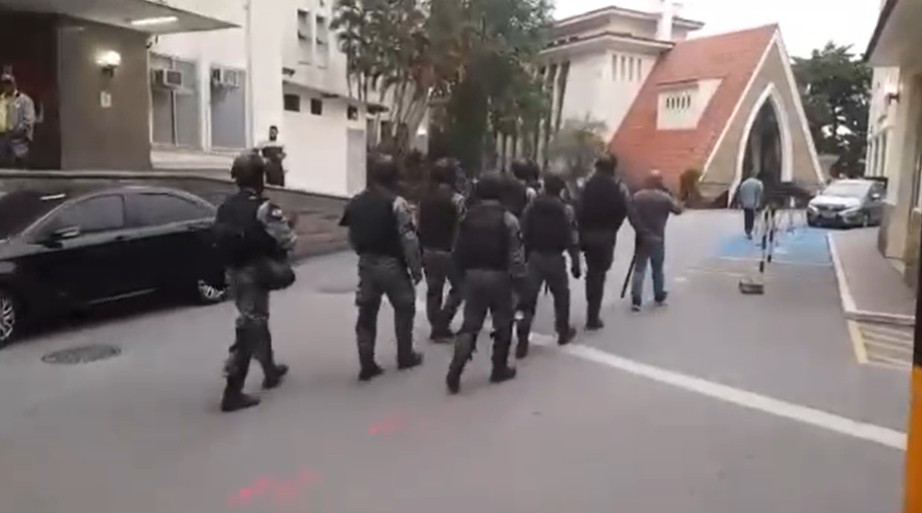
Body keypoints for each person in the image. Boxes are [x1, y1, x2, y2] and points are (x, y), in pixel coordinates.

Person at [213, 153, 296, 413]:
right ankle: (232, 391)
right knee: (250, 325)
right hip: (256, 272)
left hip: (234, 272)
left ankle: (270, 370)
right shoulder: (264, 207)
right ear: (260, 178)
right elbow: (287, 240)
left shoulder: (225, 206)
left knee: (256, 318)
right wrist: (290, 225)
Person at [340, 155, 424, 382]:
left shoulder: (356, 202)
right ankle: (405, 355)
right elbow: (408, 239)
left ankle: (366, 363)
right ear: (395, 177)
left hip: (366, 263)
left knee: (366, 313)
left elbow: (351, 236)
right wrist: (416, 269)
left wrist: (363, 253)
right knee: (404, 307)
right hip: (392, 264)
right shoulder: (397, 203)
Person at [447, 173, 526, 394]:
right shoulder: (508, 219)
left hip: (472, 275)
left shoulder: (467, 218)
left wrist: (459, 277)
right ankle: (498, 368)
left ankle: (456, 368)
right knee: (503, 322)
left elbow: (457, 249)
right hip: (499, 276)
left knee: (470, 323)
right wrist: (519, 280)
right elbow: (516, 255)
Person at [516, 174, 581, 359]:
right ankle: (562, 330)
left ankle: (522, 339)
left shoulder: (532, 207)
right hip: (555, 258)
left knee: (527, 301)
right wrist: (575, 261)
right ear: (560, 190)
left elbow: (523, 230)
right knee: (561, 296)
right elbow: (572, 236)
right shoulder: (566, 210)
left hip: (535, 257)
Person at [576, 155, 634, 330]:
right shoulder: (619, 187)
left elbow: (577, 207)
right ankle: (592, 316)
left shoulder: (586, 185)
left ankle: (591, 311)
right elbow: (628, 210)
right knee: (599, 275)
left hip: (586, 235)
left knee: (592, 273)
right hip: (606, 236)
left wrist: (579, 228)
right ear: (613, 168)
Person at [418, 158, 467, 342]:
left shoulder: (425, 198)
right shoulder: (457, 200)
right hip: (449, 251)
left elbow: (419, 223)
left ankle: (436, 326)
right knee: (461, 287)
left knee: (433, 290)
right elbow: (462, 227)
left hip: (428, 250)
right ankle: (442, 323)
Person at [630, 170, 684, 312]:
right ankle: (659, 295)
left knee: (639, 268)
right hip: (658, 237)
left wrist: (640, 230)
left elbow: (632, 216)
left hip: (642, 237)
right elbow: (678, 210)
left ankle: (636, 299)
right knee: (657, 269)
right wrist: (671, 194)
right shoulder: (664, 198)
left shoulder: (637, 197)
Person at [0, 74, 35, 169]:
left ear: (14, 84)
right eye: (4, 84)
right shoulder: (1, 100)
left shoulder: (24, 100)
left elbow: (28, 121)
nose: (6, 86)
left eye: (9, 83)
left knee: (18, 169)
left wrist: (17, 132)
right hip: (2, 140)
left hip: (18, 142)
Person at [737, 174, 764, 239]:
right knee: (752, 217)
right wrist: (758, 204)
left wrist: (741, 202)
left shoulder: (744, 183)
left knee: (747, 216)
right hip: (753, 203)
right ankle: (750, 230)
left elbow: (740, 192)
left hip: (745, 203)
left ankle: (747, 230)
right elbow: (759, 193)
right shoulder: (758, 183)